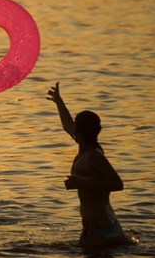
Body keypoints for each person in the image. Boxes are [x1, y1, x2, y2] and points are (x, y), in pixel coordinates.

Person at [47, 82, 135, 248]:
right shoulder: (84, 150)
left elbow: (118, 183)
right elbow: (67, 125)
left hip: (103, 231)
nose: (72, 132)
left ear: (80, 133)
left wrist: (82, 183)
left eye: (75, 130)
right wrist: (59, 102)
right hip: (94, 230)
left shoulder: (94, 156)